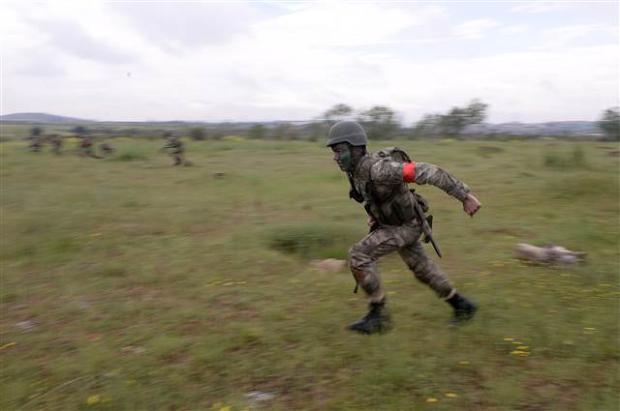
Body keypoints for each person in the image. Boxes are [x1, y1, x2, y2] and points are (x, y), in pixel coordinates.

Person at [326, 121, 482, 334]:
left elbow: (427, 171)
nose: (335, 157)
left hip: (406, 226)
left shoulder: (380, 169)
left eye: (339, 151)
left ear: (356, 149)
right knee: (422, 270)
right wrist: (374, 216)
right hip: (395, 224)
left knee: (358, 255)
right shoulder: (354, 172)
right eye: (334, 152)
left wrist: (464, 196)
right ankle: (462, 306)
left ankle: (378, 316)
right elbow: (374, 198)